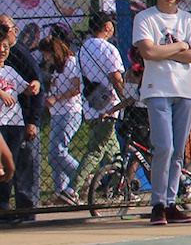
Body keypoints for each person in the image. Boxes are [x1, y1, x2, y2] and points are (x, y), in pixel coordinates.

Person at [131, 0, 191, 225]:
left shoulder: (188, 20)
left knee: (178, 151)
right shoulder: (145, 18)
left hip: (185, 90)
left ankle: (171, 203)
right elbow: (148, 52)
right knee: (164, 147)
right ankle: (158, 204)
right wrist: (180, 46)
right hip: (157, 89)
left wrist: (168, 50)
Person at [69, 11, 127, 191]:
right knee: (96, 150)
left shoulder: (81, 50)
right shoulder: (108, 49)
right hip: (109, 106)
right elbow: (116, 78)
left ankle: (120, 187)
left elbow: (77, 80)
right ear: (107, 27)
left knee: (113, 151)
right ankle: (72, 189)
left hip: (90, 105)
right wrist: (126, 99)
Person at [34, 29, 84, 205]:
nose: (46, 58)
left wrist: (56, 97)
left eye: (46, 55)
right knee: (54, 154)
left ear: (54, 51)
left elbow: (77, 88)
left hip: (69, 111)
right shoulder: (56, 68)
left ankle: (82, 177)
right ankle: (61, 191)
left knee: (57, 152)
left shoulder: (70, 62)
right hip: (56, 112)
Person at [0, 15, 42, 221]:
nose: (3, 49)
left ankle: (20, 212)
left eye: (5, 46)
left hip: (16, 123)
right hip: (2, 124)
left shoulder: (13, 65)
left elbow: (28, 87)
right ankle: (3, 207)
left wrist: (34, 86)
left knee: (16, 165)